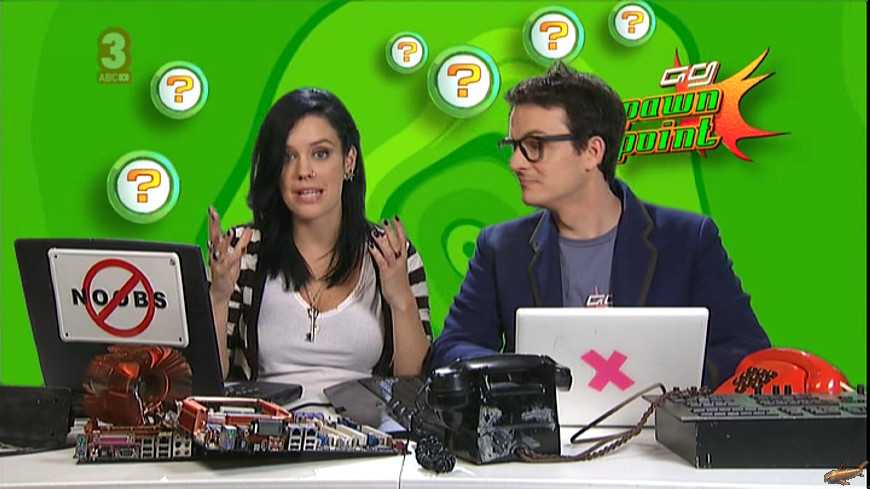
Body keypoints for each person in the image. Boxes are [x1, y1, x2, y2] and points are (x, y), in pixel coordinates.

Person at [430, 62, 770, 388]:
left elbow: (746, 351)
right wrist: (520, 378)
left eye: (535, 146)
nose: (516, 163)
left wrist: (667, 379)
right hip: (542, 427)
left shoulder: (689, 240)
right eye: (514, 146)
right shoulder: (500, 247)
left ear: (592, 152)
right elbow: (453, 348)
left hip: (656, 424)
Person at [207, 88, 432, 402]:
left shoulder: (392, 254)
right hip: (267, 427)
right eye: (288, 157)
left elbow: (415, 389)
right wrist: (217, 297)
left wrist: (400, 298)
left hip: (367, 429)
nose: (304, 172)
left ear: (349, 161)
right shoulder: (242, 252)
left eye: (321, 153)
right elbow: (207, 381)